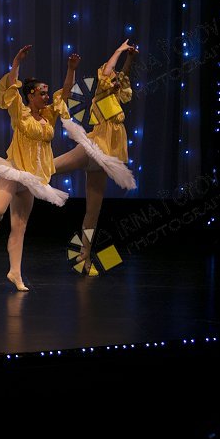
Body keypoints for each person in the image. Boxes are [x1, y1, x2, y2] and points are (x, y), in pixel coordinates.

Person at [0, 45, 78, 291]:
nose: (46, 96)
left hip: (32, 178)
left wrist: (71, 69)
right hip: (14, 170)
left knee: (19, 227)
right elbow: (11, 87)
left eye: (47, 93)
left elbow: (65, 94)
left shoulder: (49, 115)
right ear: (30, 95)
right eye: (42, 93)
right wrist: (16, 62)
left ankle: (15, 273)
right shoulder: (20, 112)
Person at [54, 39, 138, 275]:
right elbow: (109, 71)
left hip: (106, 157)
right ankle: (20, 176)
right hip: (94, 147)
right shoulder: (101, 93)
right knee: (50, 168)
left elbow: (122, 75)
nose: (114, 78)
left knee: (93, 210)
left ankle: (85, 253)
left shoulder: (116, 98)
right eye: (111, 76)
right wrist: (119, 51)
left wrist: (130, 58)